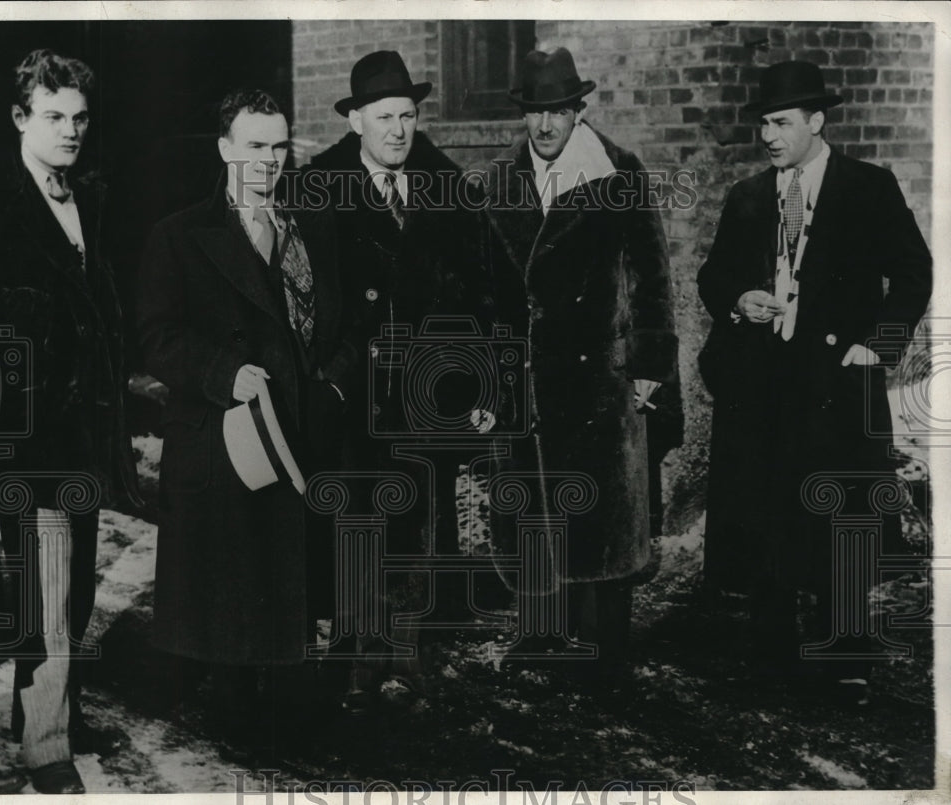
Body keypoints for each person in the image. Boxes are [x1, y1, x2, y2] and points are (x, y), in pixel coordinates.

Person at [697, 61, 932, 704]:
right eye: (763, 125)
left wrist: (876, 347)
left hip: (838, 380)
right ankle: (771, 653)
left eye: (781, 123)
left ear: (816, 122)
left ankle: (848, 657)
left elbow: (914, 271)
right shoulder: (749, 196)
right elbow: (713, 278)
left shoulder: (867, 187)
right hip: (767, 383)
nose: (769, 137)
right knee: (770, 513)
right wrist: (739, 299)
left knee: (843, 517)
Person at [137, 89, 352, 750]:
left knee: (284, 577)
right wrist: (221, 374)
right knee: (231, 586)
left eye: (279, 146)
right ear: (226, 148)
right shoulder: (179, 234)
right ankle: (235, 715)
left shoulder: (303, 228)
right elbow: (155, 336)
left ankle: (281, 708)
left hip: (292, 433)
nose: (268, 160)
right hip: (222, 441)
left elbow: (337, 320)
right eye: (254, 146)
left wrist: (335, 383)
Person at [484, 47, 680, 682]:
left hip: (598, 372)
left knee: (601, 516)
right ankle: (541, 635)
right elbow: (484, 285)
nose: (544, 126)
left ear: (578, 111)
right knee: (537, 508)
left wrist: (650, 359)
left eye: (557, 112)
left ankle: (604, 650)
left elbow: (652, 273)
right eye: (534, 112)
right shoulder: (496, 181)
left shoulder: (618, 174)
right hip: (530, 374)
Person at [0, 48, 140, 794]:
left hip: (84, 429)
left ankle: (46, 709)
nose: (70, 130)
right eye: (53, 117)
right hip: (28, 429)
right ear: (19, 117)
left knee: (73, 587)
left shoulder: (88, 197)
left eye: (78, 118)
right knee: (44, 587)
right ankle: (45, 745)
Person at [307, 50, 494, 713]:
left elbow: (488, 292)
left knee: (414, 522)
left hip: (425, 392)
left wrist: (480, 390)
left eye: (408, 115)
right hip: (351, 394)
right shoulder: (318, 187)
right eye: (384, 116)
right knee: (357, 519)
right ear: (356, 119)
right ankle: (357, 659)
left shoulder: (447, 189)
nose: (398, 130)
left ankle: (403, 663)